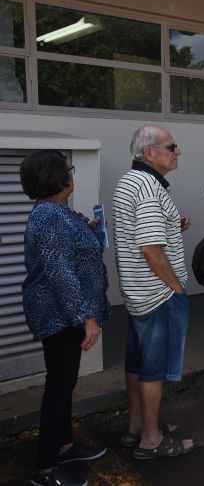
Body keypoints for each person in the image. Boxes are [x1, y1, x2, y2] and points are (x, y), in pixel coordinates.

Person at [21, 151, 109, 486]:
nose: (72, 175)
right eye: (68, 170)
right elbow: (58, 271)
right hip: (59, 315)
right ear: (57, 178)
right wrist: (85, 315)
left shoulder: (57, 213)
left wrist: (87, 229)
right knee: (58, 388)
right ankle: (45, 468)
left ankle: (65, 445)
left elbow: (63, 252)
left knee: (65, 384)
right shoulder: (49, 215)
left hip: (64, 313)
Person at [113, 125, 195, 460]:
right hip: (157, 294)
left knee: (137, 363)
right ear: (150, 153)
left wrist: (171, 223)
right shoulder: (148, 188)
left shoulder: (129, 181)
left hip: (137, 292)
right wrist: (175, 286)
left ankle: (137, 428)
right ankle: (151, 438)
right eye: (172, 146)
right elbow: (150, 248)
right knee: (154, 368)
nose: (178, 151)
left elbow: (144, 230)